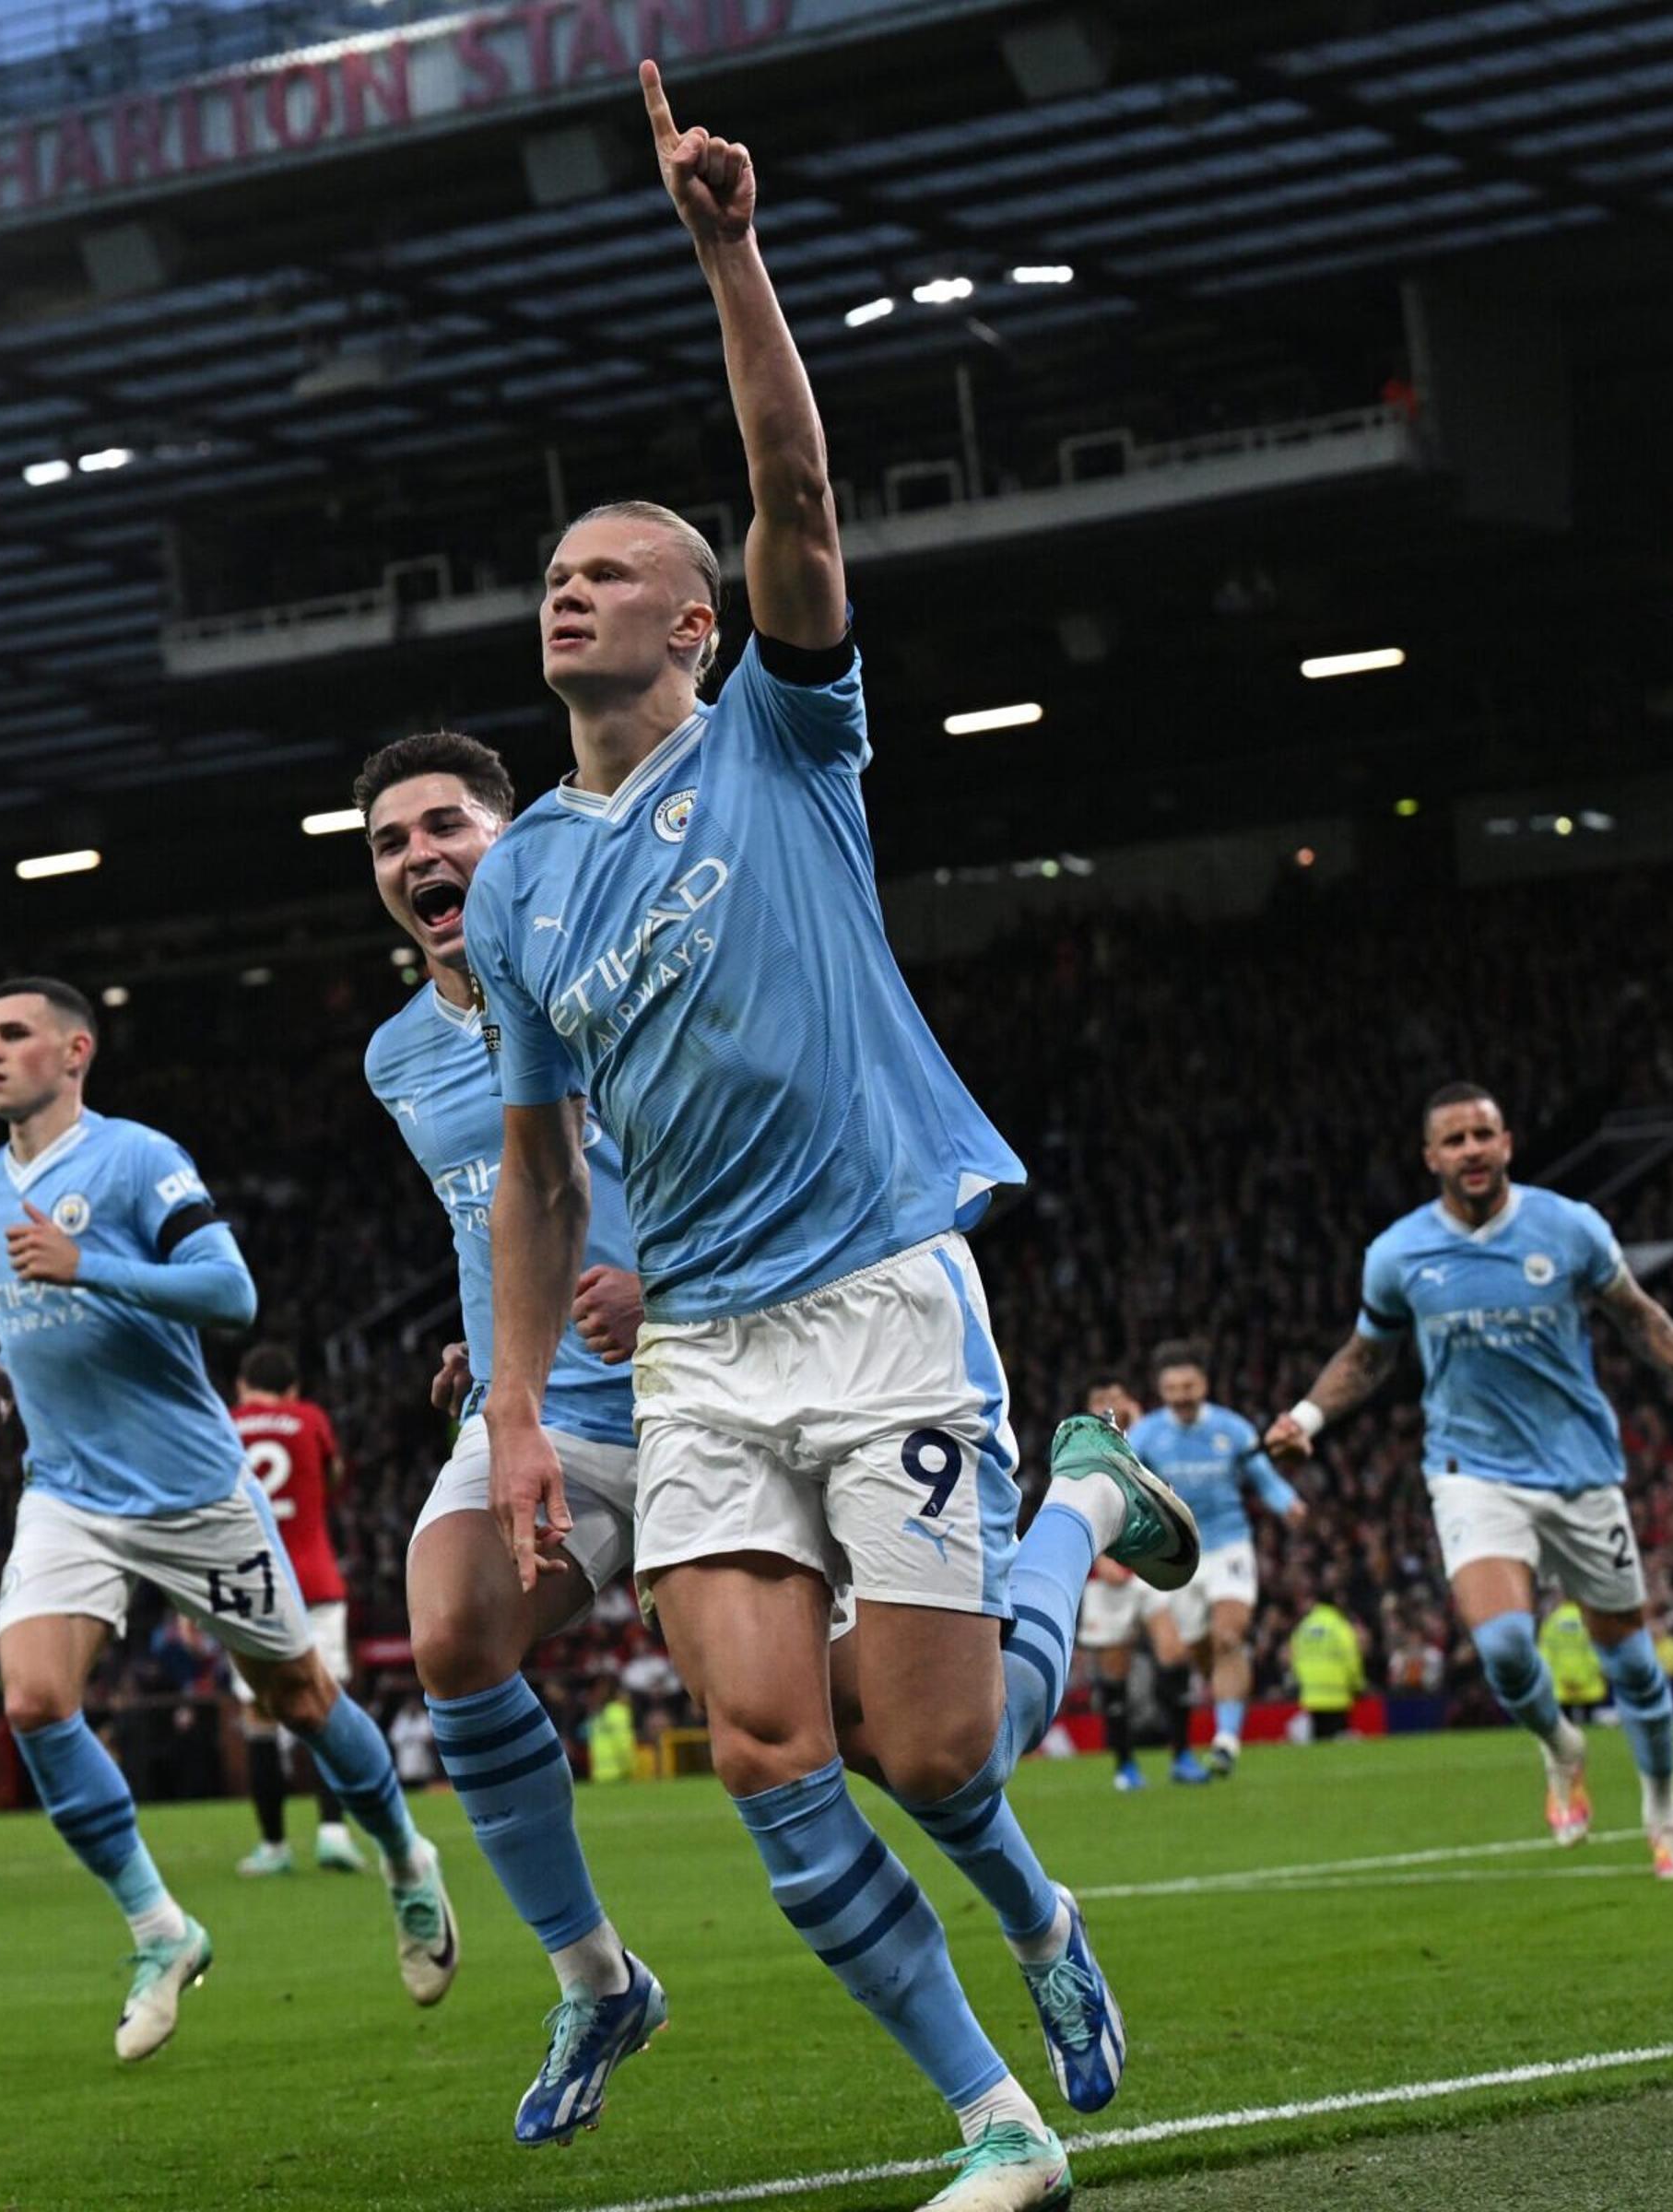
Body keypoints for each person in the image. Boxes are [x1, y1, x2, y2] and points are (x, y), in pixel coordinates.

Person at [460, 65, 1200, 2209]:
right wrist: (523, 1404)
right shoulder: (520, 881)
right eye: (553, 576)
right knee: (768, 1744)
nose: (567, 593)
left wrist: (727, 251)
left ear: (693, 621)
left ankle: (1069, 1517)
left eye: (609, 571)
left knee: (936, 1744)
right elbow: (532, 1164)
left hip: (879, 1293)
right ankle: (995, 2118)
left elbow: (793, 482)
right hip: (691, 1343)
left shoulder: (781, 738)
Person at [0, 974, 453, 2065]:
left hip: (189, 1491)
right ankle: (160, 1929)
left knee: (300, 1696)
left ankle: (408, 1860)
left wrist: (92, 1264)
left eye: (13, 1033)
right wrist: (1, 1382)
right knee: (36, 1702)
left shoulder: (135, 1158)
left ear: (75, 1050)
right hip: (67, 1491)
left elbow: (232, 1298)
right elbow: (43, 1328)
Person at [359, 726, 678, 2142]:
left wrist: (660, 1282)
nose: (420, 856)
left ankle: (1033, 1921)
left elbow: (726, 1148)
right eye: (388, 842)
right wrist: (492, 1343)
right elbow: (494, 1208)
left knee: (869, 1733)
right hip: (536, 1416)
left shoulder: (612, 968)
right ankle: (596, 1978)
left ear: (509, 833)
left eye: (446, 825)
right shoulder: (393, 1055)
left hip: (706, 1385)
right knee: (450, 1638)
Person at [1264, 1084, 1673, 1878]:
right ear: (1431, 1158)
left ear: (1508, 1143)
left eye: (1483, 1134)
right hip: (1470, 1469)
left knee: (1630, 1664)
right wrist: (1306, 1418)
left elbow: (1636, 1311)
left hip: (1581, 1468)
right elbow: (1368, 1354)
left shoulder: (1570, 1226)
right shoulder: (1399, 1253)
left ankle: (1665, 1815)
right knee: (1508, 1646)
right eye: (1454, 1140)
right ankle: (1561, 1746)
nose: (1471, 1150)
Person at [1124, 1341, 1304, 1777]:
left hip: (1229, 1546)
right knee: (1198, 1649)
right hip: (1178, 1554)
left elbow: (1262, 1477)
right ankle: (1225, 1701)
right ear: (1161, 1389)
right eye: (1172, 1387)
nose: (1182, 1394)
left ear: (1204, 1383)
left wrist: (1288, 1502)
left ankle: (1225, 1742)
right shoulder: (1146, 1434)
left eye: (1188, 1385)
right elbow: (1128, 1490)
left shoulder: (1233, 1429)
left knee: (1229, 1635)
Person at [226, 1346, 363, 1878]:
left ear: (243, 1385)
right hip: (314, 1577)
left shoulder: (227, 1424)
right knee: (325, 1703)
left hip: (249, 1582)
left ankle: (274, 1846)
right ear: (293, 1388)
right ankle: (332, 1832)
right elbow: (332, 1481)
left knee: (259, 1715)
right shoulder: (311, 1419)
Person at [1071, 1379, 1160, 1791]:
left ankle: (1182, 1756)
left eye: (1116, 1398)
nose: (1110, 1405)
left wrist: (1141, 1427)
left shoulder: (1155, 1440)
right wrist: (1097, 1557)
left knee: (1174, 1651)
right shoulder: (1078, 1451)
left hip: (1152, 1567)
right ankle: (1125, 1765)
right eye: (1100, 1400)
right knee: (1115, 1674)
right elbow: (1069, 1510)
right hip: (1108, 1574)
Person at [1287, 1592, 1367, 1740]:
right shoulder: (1340, 1626)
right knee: (1337, 1741)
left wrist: (1302, 1680)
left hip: (1312, 1694)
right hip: (1337, 1693)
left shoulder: (1304, 1627)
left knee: (1319, 1739)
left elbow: (1293, 1657)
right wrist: (1357, 1684)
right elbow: (1351, 1658)